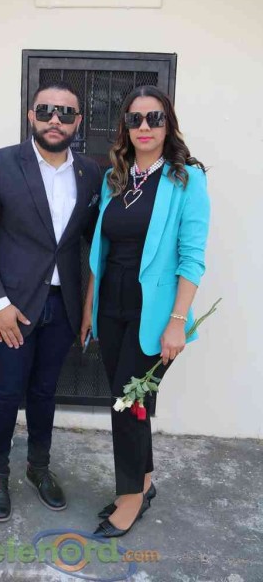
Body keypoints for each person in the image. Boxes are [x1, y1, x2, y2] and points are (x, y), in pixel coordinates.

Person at [0, 81, 101, 522]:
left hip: (63, 305)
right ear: (31, 116)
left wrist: (89, 305)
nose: (55, 119)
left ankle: (38, 467)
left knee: (44, 391)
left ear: (78, 122)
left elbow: (94, 242)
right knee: (6, 392)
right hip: (12, 308)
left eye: (65, 112)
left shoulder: (90, 173)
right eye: (46, 111)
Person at [80, 85, 210, 538]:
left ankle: (131, 497)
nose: (144, 127)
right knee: (134, 402)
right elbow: (99, 251)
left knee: (125, 401)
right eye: (135, 119)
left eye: (154, 118)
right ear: (125, 127)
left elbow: (192, 258)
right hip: (112, 307)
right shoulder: (115, 178)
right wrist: (89, 308)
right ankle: (145, 480)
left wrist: (177, 323)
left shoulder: (186, 179)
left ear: (168, 124)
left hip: (154, 315)